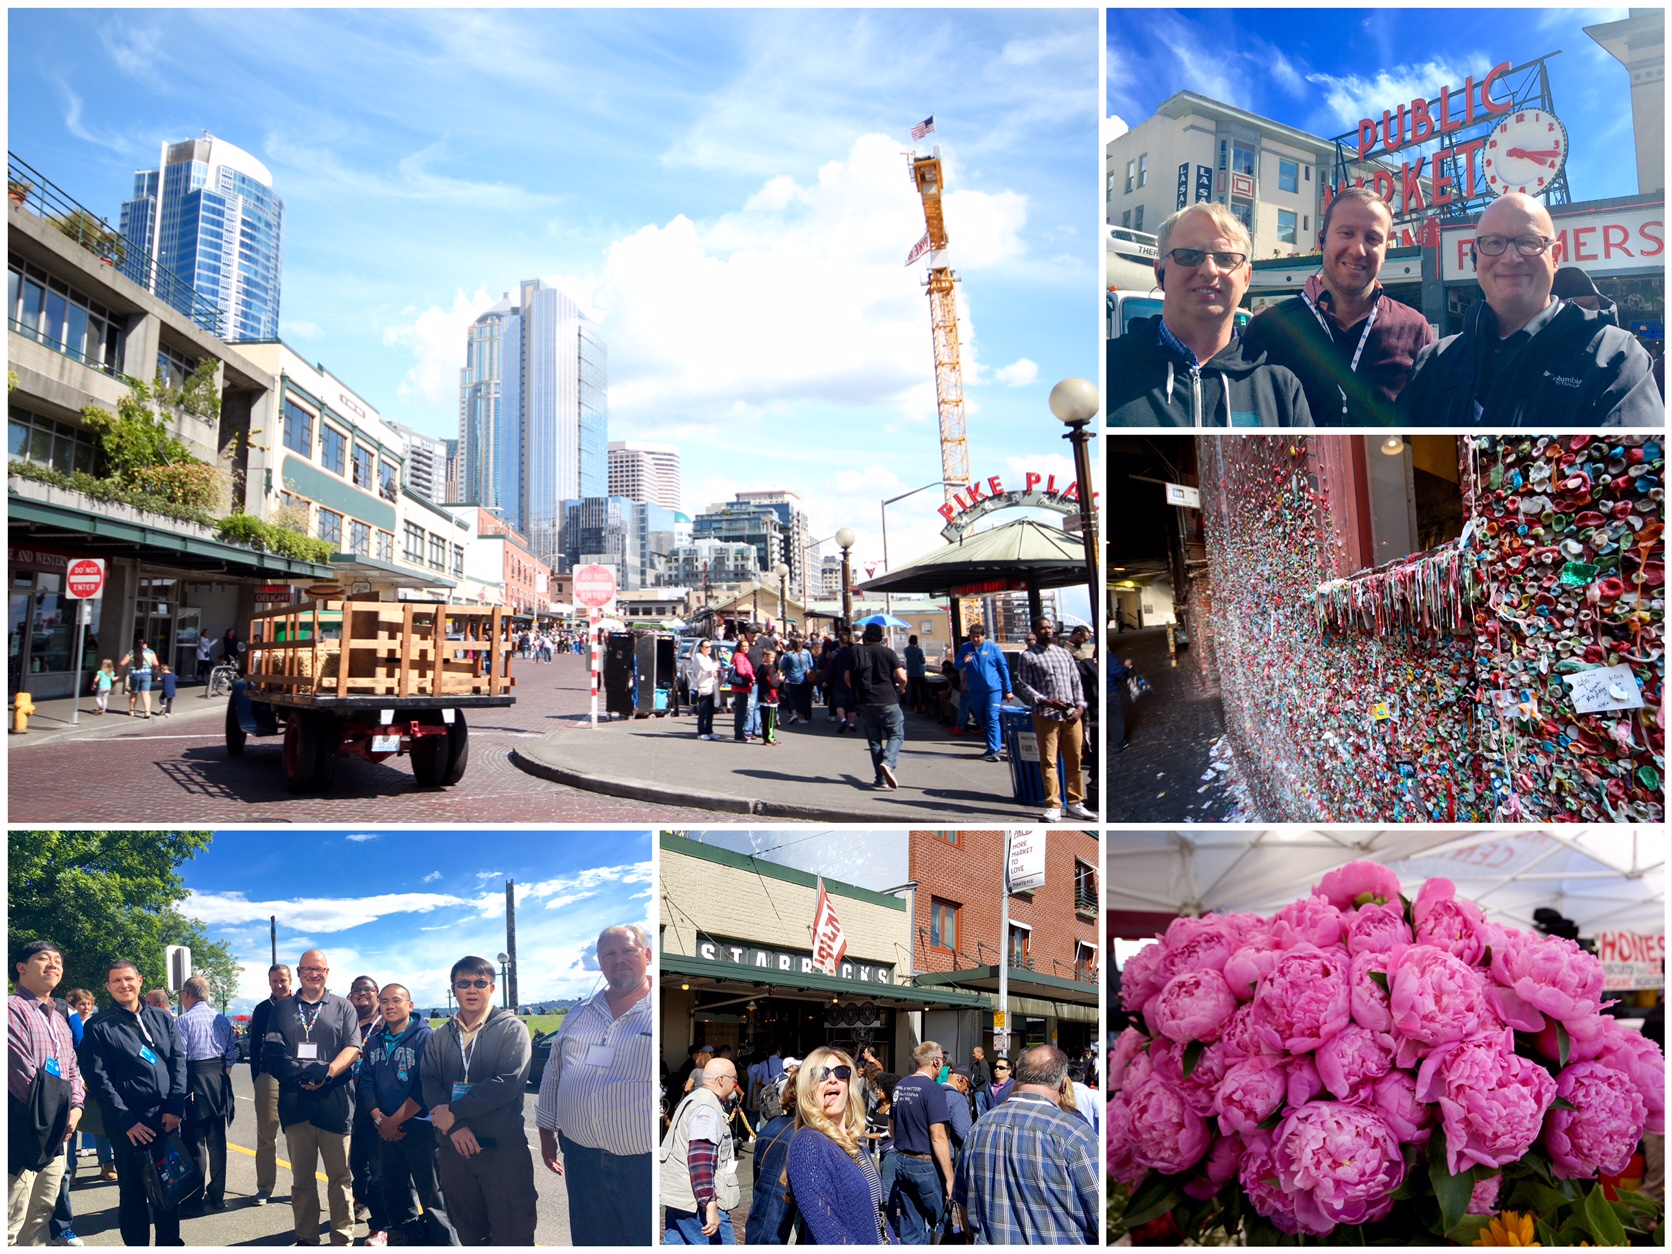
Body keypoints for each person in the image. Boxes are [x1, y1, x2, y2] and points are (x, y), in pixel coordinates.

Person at [1399, 191, 1661, 426]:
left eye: (1529, 242)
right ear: (1475, 257)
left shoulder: (1619, 358)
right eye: (1493, 243)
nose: (1511, 258)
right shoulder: (1433, 362)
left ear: (1555, 257)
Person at [1106, 201, 1312, 427]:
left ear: (1246, 278)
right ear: (1159, 273)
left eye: (1226, 258)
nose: (1209, 270)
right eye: (1189, 256)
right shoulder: (1106, 368)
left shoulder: (1281, 389)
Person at [1242, 187, 1433, 427]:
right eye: (1346, 233)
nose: (1358, 250)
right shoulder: (1268, 328)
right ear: (1322, 239)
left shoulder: (1414, 329)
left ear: (1385, 251)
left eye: (1372, 238)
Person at [536, 925, 654, 1247]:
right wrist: (546, 1130)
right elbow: (553, 1072)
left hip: (640, 1165)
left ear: (647, 955)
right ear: (600, 963)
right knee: (591, 1241)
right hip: (581, 1158)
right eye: (609, 954)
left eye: (627, 950)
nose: (618, 960)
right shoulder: (578, 1013)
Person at [420, 956, 536, 1246]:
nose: (472, 989)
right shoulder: (441, 1035)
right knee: (469, 1233)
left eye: (480, 983)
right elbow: (429, 1079)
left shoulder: (511, 1029)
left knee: (513, 1234)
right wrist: (454, 1125)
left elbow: (506, 1083)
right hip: (454, 1152)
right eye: (464, 983)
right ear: (453, 989)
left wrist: (453, 1111)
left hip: (501, 1154)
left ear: (492, 988)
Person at [79, 959, 186, 1248]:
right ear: (108, 987)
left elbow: (178, 1060)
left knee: (168, 1184)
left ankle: (169, 1243)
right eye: (116, 981)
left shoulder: (163, 1018)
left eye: (128, 979)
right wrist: (126, 1121)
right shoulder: (99, 1027)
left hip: (165, 1116)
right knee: (133, 1192)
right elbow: (98, 1080)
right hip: (128, 1123)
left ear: (139, 980)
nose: (124, 985)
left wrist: (176, 1105)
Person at [262, 948, 363, 1247]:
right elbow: (274, 1049)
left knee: (340, 1177)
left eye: (318, 969)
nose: (313, 974)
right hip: (296, 1102)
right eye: (307, 969)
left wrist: (326, 1073)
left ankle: (342, 1237)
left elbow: (353, 1047)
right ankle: (306, 1237)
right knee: (302, 1179)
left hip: (335, 1100)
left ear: (327, 973)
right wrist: (301, 1075)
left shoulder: (343, 1007)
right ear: (299, 972)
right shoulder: (281, 1009)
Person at [951, 1046, 1099, 1244]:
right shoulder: (1075, 1136)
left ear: (1018, 1077)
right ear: (1064, 1085)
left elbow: (963, 1204)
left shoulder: (979, 1128)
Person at [361, 984, 453, 1248]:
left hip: (419, 1130)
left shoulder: (426, 1038)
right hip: (386, 1131)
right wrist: (379, 1118)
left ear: (410, 1005)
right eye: (384, 1001)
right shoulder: (376, 1040)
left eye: (396, 1000)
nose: (389, 1006)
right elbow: (366, 1080)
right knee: (396, 1196)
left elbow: (425, 1086)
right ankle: (406, 1242)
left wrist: (394, 1120)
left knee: (433, 1197)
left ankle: (446, 1244)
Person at [8, 941, 84, 1248]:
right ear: (22, 967)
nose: (53, 964)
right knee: (11, 1217)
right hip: (24, 1130)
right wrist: (60, 1112)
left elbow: (72, 1068)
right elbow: (21, 1075)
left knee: (41, 1212)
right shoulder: (11, 1009)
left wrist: (77, 1107)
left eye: (58, 961)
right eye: (43, 959)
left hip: (57, 1133)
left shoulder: (59, 1017)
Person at [783, 1047, 892, 1244]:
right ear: (808, 1088)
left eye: (841, 1073)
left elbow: (879, 1212)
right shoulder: (808, 1143)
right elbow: (829, 1231)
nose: (832, 1079)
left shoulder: (856, 1140)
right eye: (821, 1074)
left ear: (849, 1085)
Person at [1013, 618, 1094, 822]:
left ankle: (1076, 803)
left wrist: (1081, 707)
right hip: (1046, 715)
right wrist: (1045, 701)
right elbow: (1023, 685)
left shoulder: (1064, 653)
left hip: (1071, 715)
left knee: (1074, 760)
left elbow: (1076, 682)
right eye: (1042, 628)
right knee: (1049, 761)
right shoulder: (1028, 656)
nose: (1047, 630)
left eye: (1049, 627)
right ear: (1035, 631)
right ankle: (1053, 805)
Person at [658, 1055, 741, 1244]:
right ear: (721, 1080)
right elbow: (700, 1158)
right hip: (696, 1202)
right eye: (734, 1079)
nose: (736, 1084)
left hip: (682, 1196)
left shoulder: (697, 1099)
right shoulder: (706, 1106)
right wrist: (709, 1205)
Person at [175, 975, 236, 1215]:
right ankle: (218, 1195)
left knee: (194, 1143)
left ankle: (194, 1197)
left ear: (187, 994)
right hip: (219, 1081)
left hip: (195, 1083)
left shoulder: (184, 1021)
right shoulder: (222, 1019)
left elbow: (180, 1058)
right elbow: (231, 1055)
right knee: (217, 1140)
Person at [888, 1042, 953, 1244]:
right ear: (935, 1062)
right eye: (942, 1061)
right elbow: (938, 1136)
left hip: (901, 1160)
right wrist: (950, 1178)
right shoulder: (933, 1090)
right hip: (925, 1163)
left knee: (910, 1223)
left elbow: (891, 1129)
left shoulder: (900, 1085)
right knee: (941, 1224)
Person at [248, 963, 292, 1207]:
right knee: (266, 1134)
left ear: (290, 981)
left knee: (298, 1134)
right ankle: (264, 1187)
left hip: (295, 1077)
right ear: (269, 983)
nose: (279, 985)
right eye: (274, 981)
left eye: (282, 980)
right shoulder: (262, 1009)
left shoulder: (301, 1006)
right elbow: (255, 1045)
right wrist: (257, 1076)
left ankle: (302, 1185)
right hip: (267, 1076)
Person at [845, 622, 907, 790]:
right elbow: (902, 677)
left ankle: (881, 778)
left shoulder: (857, 653)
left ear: (865, 636)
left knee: (874, 741)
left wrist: (858, 691)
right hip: (888, 700)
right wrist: (901, 688)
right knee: (896, 734)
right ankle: (888, 762)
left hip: (866, 701)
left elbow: (847, 678)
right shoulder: (888, 652)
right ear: (881, 637)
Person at [62, 988, 115, 1183]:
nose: (86, 1007)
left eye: (89, 1004)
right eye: (81, 1004)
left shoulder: (99, 1024)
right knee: (73, 1125)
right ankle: (72, 1168)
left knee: (100, 1124)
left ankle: (106, 1164)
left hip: (95, 1080)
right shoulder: (68, 1025)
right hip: (74, 1079)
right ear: (74, 1006)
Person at [346, 976, 384, 1236]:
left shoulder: (385, 1022)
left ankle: (381, 1223)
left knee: (379, 1162)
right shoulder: (346, 1022)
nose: (362, 993)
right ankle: (361, 1198)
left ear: (376, 994)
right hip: (349, 1101)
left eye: (367, 989)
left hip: (378, 1102)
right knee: (356, 1159)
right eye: (357, 990)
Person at [743, 1082, 798, 1245]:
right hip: (776, 1233)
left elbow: (758, 1186)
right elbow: (775, 1204)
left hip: (762, 1227)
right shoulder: (799, 1134)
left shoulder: (770, 1127)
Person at [955, 625, 1014, 763]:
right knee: (983, 720)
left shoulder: (992, 648)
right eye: (973, 636)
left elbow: (1003, 668)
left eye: (978, 637)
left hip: (993, 689)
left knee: (992, 717)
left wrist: (1008, 690)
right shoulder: (965, 648)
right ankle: (990, 747)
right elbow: (956, 665)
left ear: (983, 636)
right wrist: (963, 661)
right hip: (975, 690)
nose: (975, 639)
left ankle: (995, 749)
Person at [685, 639, 721, 741]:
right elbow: (706, 668)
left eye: (710, 647)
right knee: (703, 710)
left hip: (710, 687)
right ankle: (701, 732)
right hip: (701, 687)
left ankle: (709, 730)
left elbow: (711, 669)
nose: (709, 649)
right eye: (706, 647)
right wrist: (716, 665)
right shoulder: (698, 657)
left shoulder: (708, 658)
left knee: (710, 710)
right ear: (701, 648)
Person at [119, 638, 158, 720]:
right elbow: (156, 663)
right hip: (147, 675)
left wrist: (119, 671)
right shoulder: (150, 651)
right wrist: (155, 669)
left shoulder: (132, 652)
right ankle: (147, 712)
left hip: (135, 675)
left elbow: (122, 663)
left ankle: (131, 710)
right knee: (146, 693)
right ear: (145, 644)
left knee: (134, 693)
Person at [778, 638, 814, 726]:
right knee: (803, 698)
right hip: (804, 678)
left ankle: (794, 714)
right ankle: (801, 717)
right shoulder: (806, 652)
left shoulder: (788, 654)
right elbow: (811, 665)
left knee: (792, 698)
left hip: (792, 679)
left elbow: (782, 667)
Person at [825, 633, 855, 733]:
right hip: (851, 680)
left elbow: (831, 669)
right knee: (852, 703)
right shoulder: (853, 652)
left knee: (839, 703)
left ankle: (843, 720)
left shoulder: (835, 653)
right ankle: (852, 724)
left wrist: (827, 680)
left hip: (839, 680)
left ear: (839, 642)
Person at [729, 646, 756, 744]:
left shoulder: (743, 656)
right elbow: (741, 671)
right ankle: (739, 735)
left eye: (747, 646)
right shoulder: (740, 657)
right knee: (741, 711)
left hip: (743, 688)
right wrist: (751, 677)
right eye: (744, 646)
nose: (746, 648)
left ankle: (740, 733)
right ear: (739, 647)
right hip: (741, 687)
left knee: (742, 711)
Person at [756, 649, 782, 746]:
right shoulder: (770, 668)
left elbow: (758, 679)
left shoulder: (761, 667)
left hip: (762, 696)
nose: (773, 660)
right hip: (771, 697)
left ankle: (766, 738)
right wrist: (780, 680)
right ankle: (770, 739)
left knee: (765, 720)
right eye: (771, 657)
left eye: (773, 658)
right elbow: (773, 683)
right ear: (765, 657)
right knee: (770, 720)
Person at [903, 635, 927, 714]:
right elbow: (923, 661)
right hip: (919, 672)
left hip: (910, 672)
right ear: (916, 641)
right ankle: (923, 706)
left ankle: (916, 707)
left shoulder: (905, 650)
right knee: (922, 690)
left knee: (914, 690)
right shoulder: (919, 650)